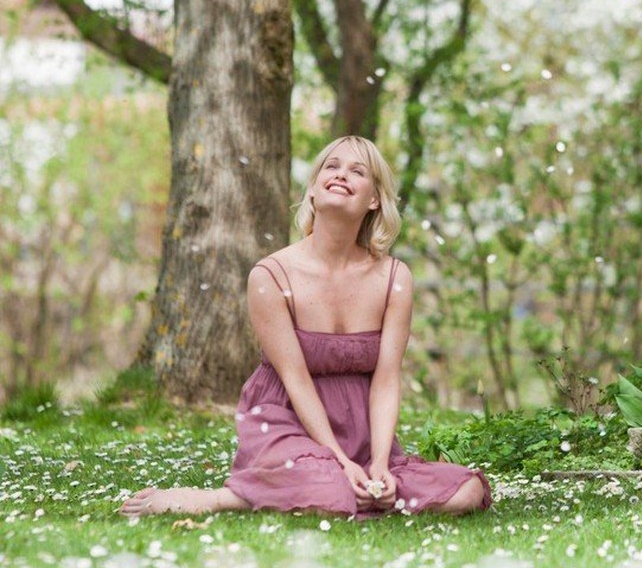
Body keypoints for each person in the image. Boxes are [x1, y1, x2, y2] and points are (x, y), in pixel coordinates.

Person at [120, 136, 491, 518]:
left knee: (465, 491)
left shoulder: (395, 278)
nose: (341, 175)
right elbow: (295, 379)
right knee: (330, 495)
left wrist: (378, 462)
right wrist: (340, 462)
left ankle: (359, 487)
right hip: (289, 421)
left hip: (362, 432)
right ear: (313, 190)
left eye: (357, 171)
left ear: (375, 200)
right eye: (331, 167)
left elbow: (386, 379)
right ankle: (218, 499)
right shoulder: (271, 275)